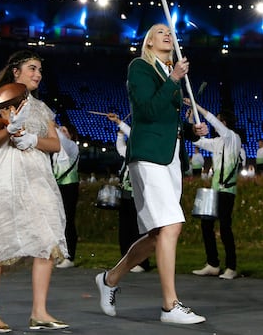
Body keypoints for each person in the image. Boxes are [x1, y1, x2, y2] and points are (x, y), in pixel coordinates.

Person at [95, 23, 207, 325]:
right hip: (148, 157)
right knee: (171, 225)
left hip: (169, 158)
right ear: (148, 43)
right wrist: (172, 80)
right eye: (160, 32)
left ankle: (110, 279)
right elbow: (146, 111)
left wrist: (191, 130)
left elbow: (166, 120)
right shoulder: (140, 68)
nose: (167, 34)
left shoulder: (170, 72)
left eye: (169, 32)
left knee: (159, 233)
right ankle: (170, 306)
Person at [0, 49, 69, 333]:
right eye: (32, 68)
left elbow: (55, 144)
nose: (37, 74)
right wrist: (11, 128)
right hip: (5, 174)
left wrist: (32, 138)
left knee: (46, 235)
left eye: (39, 69)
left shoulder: (41, 108)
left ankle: (39, 311)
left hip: (38, 176)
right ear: (16, 71)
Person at [186, 101, 241, 280]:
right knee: (206, 224)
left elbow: (213, 122)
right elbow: (198, 141)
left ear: (224, 123)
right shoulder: (217, 142)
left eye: (218, 121)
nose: (214, 124)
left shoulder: (232, 138)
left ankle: (231, 267)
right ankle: (213, 264)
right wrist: (191, 121)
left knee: (225, 227)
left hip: (227, 190)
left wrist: (198, 106)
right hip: (215, 190)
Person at [107, 112, 150, 273]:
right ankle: (125, 258)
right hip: (125, 194)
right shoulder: (130, 152)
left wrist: (119, 122)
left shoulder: (145, 149)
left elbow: (134, 135)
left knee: (137, 229)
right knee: (124, 229)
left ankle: (141, 262)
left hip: (138, 195)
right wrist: (119, 134)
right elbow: (120, 147)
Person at [52, 123, 80, 269]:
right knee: (57, 222)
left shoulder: (71, 146)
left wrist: (54, 126)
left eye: (64, 131)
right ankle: (60, 254)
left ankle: (70, 256)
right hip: (59, 187)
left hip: (69, 186)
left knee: (68, 220)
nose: (60, 133)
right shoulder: (56, 151)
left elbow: (61, 139)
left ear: (71, 134)